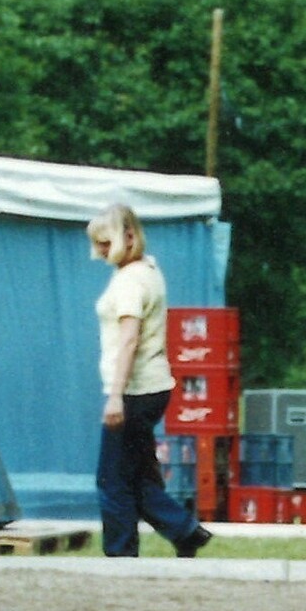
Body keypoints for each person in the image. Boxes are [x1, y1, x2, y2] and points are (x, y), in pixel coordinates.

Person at [87, 203, 212, 562]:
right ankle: (185, 531)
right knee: (138, 475)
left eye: (104, 243)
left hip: (133, 389)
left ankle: (121, 554)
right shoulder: (149, 270)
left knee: (112, 480)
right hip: (154, 385)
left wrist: (114, 398)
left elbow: (129, 339)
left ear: (128, 237)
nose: (99, 252)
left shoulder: (129, 282)